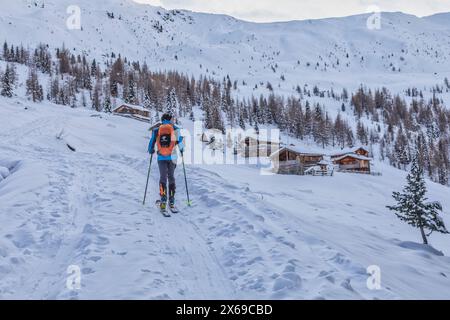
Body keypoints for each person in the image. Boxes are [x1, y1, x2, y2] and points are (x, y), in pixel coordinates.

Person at [148, 113, 184, 211]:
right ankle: (171, 200)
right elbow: (180, 141)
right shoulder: (175, 129)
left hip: (161, 158)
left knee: (163, 178)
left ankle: (163, 200)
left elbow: (152, 142)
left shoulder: (157, 130)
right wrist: (181, 150)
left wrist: (151, 150)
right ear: (170, 119)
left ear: (163, 119)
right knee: (171, 177)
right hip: (172, 157)